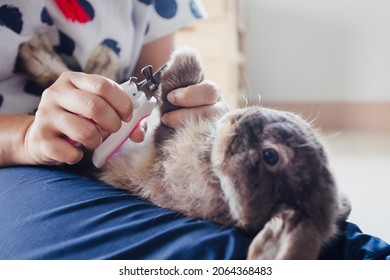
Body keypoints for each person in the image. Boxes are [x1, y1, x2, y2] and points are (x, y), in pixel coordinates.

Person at [0, 0, 389, 260]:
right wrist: (25, 137)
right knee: (213, 253)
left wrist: (192, 115)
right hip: (17, 167)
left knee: (337, 243)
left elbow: (149, 82)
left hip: (119, 153)